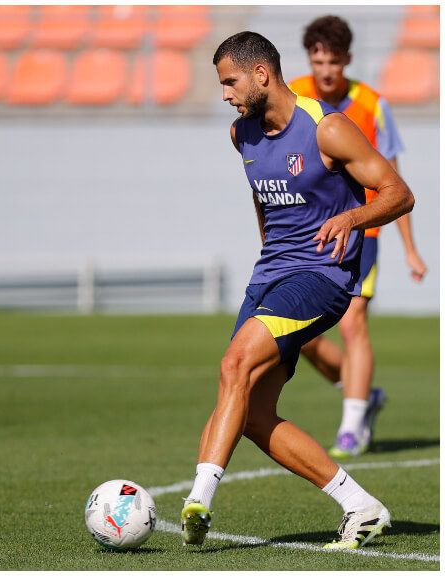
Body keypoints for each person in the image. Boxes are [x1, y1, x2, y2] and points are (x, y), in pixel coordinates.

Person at [181, 31, 414, 550]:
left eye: (229, 82)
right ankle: (361, 506)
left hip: (322, 278)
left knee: (232, 365)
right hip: (271, 275)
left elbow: (400, 193)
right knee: (250, 412)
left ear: (261, 73)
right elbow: (265, 203)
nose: (224, 94)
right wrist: (271, 256)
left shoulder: (327, 128)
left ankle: (197, 503)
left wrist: (352, 217)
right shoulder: (241, 135)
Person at [288, 15, 427, 459]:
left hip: (361, 231)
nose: (326, 69)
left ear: (347, 60)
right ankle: (362, 395)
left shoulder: (371, 103)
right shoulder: (293, 96)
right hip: (308, 232)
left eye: (334, 60)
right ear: (310, 59)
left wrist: (410, 248)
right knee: (300, 334)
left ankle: (351, 428)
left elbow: (394, 180)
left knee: (353, 322)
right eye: (318, 59)